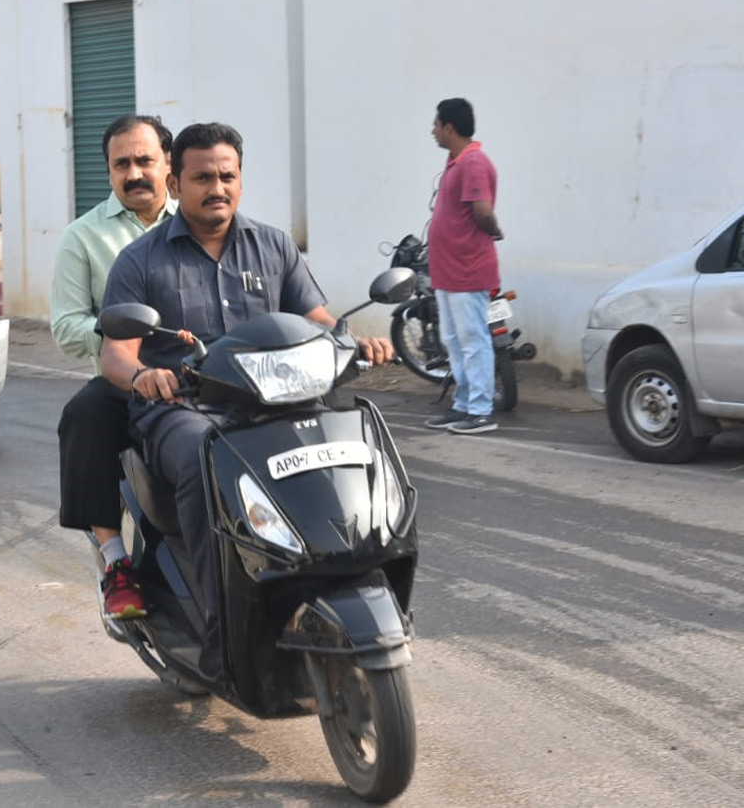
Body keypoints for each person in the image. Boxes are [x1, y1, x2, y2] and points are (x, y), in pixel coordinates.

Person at [98, 121, 391, 673]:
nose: (217, 187)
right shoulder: (141, 260)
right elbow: (116, 351)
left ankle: (343, 572)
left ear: (241, 179)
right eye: (202, 176)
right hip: (186, 410)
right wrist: (142, 377)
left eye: (227, 175)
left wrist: (357, 343)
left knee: (349, 440)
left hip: (277, 402)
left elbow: (319, 322)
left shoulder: (274, 245)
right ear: (176, 183)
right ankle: (223, 628)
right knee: (207, 460)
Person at [52, 114, 177, 620]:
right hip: (123, 380)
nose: (134, 173)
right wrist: (121, 339)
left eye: (145, 160)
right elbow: (65, 328)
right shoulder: (82, 237)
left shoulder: (200, 221)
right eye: (121, 164)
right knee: (84, 416)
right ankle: (114, 562)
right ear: (108, 172)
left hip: (199, 374)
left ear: (168, 164)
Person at [424, 97, 503, 435]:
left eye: (436, 125)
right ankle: (463, 405)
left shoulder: (473, 163)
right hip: (448, 272)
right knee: (454, 341)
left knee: (473, 341)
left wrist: (495, 231)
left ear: (449, 127)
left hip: (468, 270)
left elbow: (482, 211)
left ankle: (481, 410)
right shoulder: (456, 162)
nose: (433, 131)